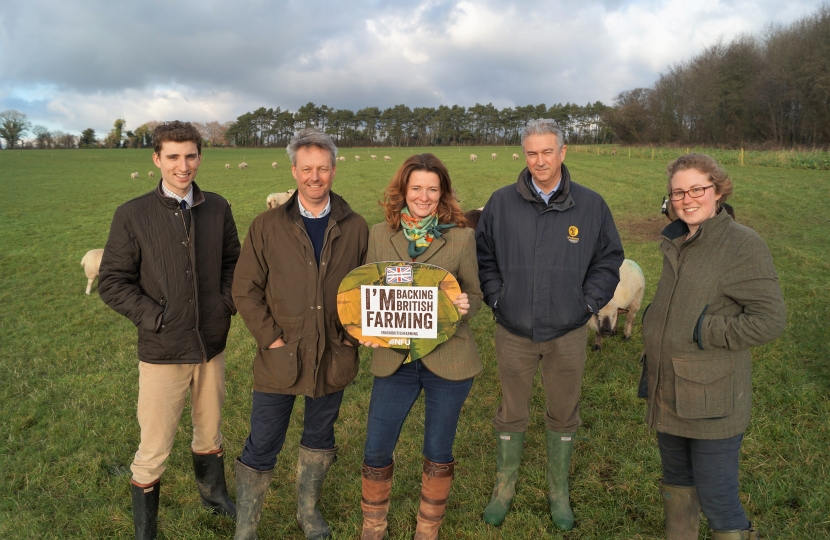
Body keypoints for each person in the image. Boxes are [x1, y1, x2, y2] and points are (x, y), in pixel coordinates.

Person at [476, 118, 624, 531]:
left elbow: (609, 259)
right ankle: (504, 488)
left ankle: (558, 490)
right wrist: (497, 297)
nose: (539, 161)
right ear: (524, 154)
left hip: (568, 332)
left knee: (563, 411)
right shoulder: (501, 203)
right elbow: (483, 256)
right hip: (514, 329)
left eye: (547, 151)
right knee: (511, 411)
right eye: (531, 153)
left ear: (563, 151)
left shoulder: (591, 205)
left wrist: (587, 302)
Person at [98, 121, 240, 539]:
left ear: (200, 157)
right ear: (157, 159)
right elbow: (111, 282)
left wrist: (223, 304)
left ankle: (214, 499)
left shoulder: (217, 206)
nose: (183, 166)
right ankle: (147, 531)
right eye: (173, 157)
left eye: (191, 156)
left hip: (210, 345)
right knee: (154, 446)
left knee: (209, 430)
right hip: (162, 350)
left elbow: (234, 262)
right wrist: (155, 317)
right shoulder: (132, 214)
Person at [231, 128, 368, 540]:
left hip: (332, 355)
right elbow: (245, 289)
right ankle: (246, 527)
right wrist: (271, 339)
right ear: (293, 171)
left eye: (322, 168)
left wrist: (350, 339)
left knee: (319, 436)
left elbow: (367, 290)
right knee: (263, 441)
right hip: (279, 357)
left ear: (334, 170)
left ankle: (308, 512)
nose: (314, 177)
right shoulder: (267, 225)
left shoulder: (356, 227)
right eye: (306, 168)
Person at [641, 153, 786, 540]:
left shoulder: (741, 244)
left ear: (717, 191)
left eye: (697, 189)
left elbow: (770, 320)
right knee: (677, 484)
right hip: (667, 386)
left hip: (713, 399)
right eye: (678, 192)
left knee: (717, 496)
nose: (687, 199)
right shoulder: (678, 237)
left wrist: (705, 329)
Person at [357, 154, 483, 540]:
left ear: (442, 193)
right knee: (376, 448)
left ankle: (427, 529)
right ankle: (373, 526)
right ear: (403, 191)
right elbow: (368, 291)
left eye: (432, 189)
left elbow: (475, 295)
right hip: (395, 361)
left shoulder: (461, 237)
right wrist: (363, 323)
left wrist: (463, 306)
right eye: (417, 189)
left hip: (449, 360)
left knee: (437, 450)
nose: (424, 197)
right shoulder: (380, 234)